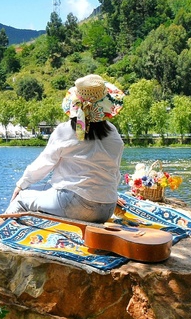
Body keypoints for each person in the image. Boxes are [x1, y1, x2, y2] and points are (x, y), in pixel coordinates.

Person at [9, 75, 125, 222]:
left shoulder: (65, 130)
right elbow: (114, 171)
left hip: (74, 205)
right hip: (107, 208)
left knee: (21, 198)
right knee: (45, 191)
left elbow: (44, 163)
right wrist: (109, 194)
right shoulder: (113, 134)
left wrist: (21, 185)